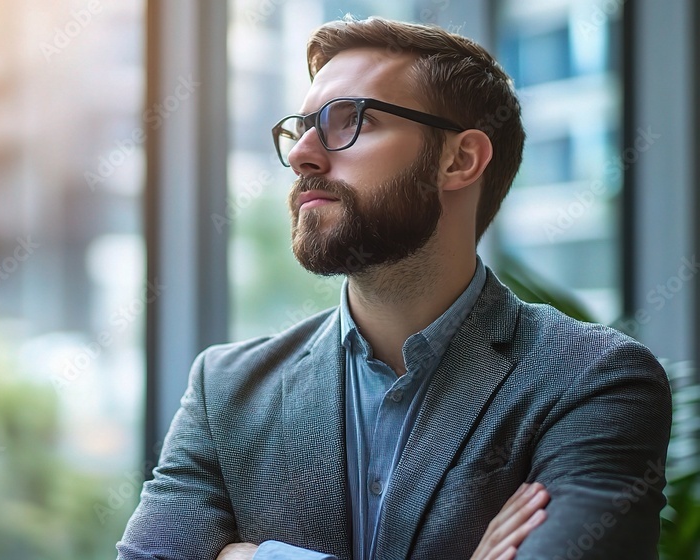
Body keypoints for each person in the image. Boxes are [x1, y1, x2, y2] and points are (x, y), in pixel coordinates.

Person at [117, 16, 671, 560]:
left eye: (349, 120)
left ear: (460, 159)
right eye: (301, 127)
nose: (302, 155)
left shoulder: (594, 380)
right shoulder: (228, 389)